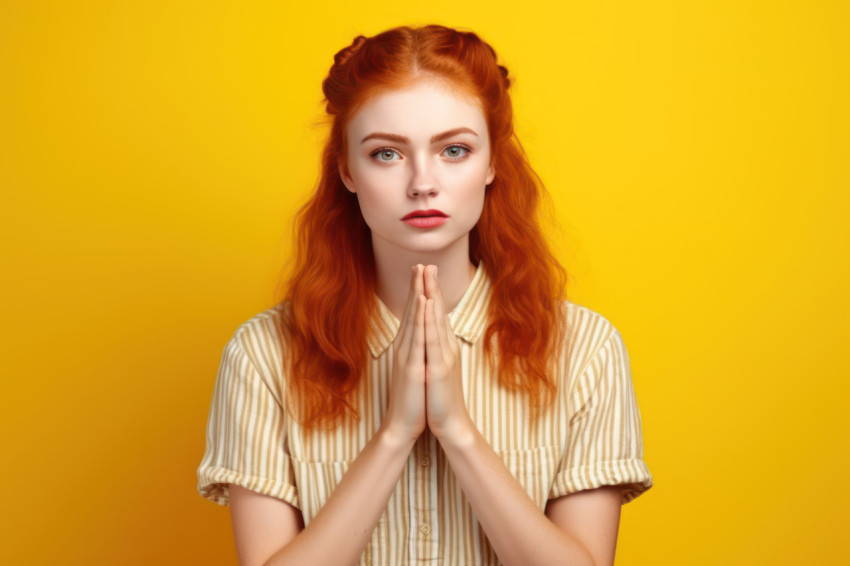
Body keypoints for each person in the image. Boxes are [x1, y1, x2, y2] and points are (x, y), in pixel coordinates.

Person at [197, 24, 653, 566]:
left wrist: (457, 431)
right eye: (386, 154)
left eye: (454, 150)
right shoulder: (263, 355)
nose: (422, 182)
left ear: (491, 165)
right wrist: (394, 434)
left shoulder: (584, 350)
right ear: (346, 169)